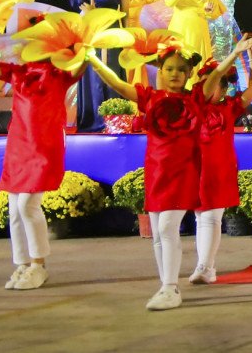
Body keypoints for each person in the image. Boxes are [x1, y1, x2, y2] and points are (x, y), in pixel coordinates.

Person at [0, 3, 81, 290]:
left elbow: (82, 59)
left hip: (44, 147)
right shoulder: (16, 73)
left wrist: (82, 34)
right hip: (19, 147)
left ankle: (39, 265)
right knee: (14, 209)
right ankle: (22, 265)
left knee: (28, 205)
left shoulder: (61, 73)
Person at [86, 49, 205, 310]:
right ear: (159, 71)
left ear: (189, 73)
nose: (175, 74)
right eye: (169, 68)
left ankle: (171, 288)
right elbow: (116, 83)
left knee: (166, 229)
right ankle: (165, 285)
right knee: (158, 236)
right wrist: (93, 59)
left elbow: (217, 75)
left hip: (183, 173)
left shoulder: (196, 98)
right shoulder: (149, 97)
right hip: (156, 173)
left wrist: (243, 57)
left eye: (180, 69)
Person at [187, 35, 252, 286]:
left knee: (210, 217)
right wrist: (234, 53)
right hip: (196, 169)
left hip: (219, 169)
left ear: (225, 88)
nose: (208, 87)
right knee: (201, 217)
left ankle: (205, 266)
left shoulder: (229, 107)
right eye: (205, 82)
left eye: (219, 84)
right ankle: (206, 266)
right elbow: (207, 85)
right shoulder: (195, 103)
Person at [68, 0, 129, 130]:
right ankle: (93, 120)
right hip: (92, 34)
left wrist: (125, 39)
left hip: (112, 33)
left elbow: (126, 15)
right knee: (93, 75)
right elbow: (75, 4)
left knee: (112, 73)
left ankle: (114, 119)